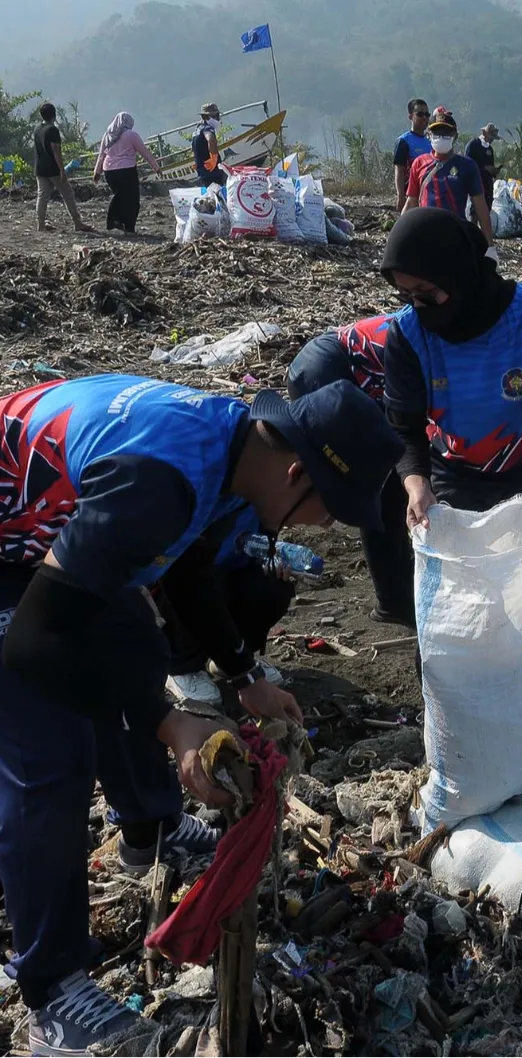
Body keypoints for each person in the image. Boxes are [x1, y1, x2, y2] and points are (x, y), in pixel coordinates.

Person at [0, 374, 402, 1056]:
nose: (324, 527)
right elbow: (36, 642)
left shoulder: (237, 454)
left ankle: (148, 830)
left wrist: (244, 677)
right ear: (299, 470)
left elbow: (183, 573)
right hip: (13, 548)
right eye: (329, 508)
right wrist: (169, 721)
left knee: (132, 641)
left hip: (54, 535)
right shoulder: (160, 481)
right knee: (49, 757)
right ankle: (52, 994)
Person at [380, 208, 522, 599]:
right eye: (407, 296)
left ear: (455, 272)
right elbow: (403, 424)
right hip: (451, 472)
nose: (419, 306)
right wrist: (416, 483)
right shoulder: (408, 333)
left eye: (427, 293)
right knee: (453, 597)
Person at [287, 313, 412, 624]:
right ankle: (391, 602)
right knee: (381, 486)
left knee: (394, 485)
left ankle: (401, 579)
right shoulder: (448, 334)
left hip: (333, 364)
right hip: (331, 370)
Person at [157, 504, 292, 705]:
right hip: (185, 573)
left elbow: (260, 543)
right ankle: (182, 667)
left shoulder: (263, 497)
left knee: (272, 584)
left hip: (231, 568)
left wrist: (272, 560)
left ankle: (233, 658)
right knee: (184, 582)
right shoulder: (206, 490)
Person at [403, 109, 494, 245]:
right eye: (437, 133)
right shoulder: (419, 163)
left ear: (455, 136)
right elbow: (412, 201)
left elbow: (480, 206)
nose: (441, 136)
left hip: (456, 235)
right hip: (425, 234)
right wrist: (399, 235)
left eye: (446, 133)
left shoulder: (467, 165)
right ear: (429, 135)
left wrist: (490, 245)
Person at [91, 112, 162, 235]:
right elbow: (145, 153)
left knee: (119, 195)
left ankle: (118, 222)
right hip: (126, 170)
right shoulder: (131, 135)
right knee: (132, 199)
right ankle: (125, 224)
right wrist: (156, 168)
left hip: (109, 172)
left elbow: (101, 154)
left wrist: (97, 172)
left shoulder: (108, 135)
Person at [34, 102, 93, 234]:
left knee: (42, 196)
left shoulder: (37, 128)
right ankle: (77, 223)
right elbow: (56, 152)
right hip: (53, 169)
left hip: (40, 169)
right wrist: (62, 170)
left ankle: (40, 225)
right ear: (54, 115)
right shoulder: (53, 130)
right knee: (68, 194)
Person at [393, 98, 432, 212]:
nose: (424, 118)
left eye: (427, 114)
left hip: (428, 193)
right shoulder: (404, 141)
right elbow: (399, 170)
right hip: (411, 195)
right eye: (420, 114)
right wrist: (400, 195)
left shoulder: (430, 141)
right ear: (410, 116)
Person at [465, 122, 502, 212]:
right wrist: (484, 169)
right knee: (475, 211)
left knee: (486, 209)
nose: (492, 140)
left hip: (487, 185)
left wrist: (494, 171)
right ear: (485, 134)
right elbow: (467, 164)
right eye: (491, 137)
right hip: (476, 183)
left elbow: (491, 167)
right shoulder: (473, 144)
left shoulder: (490, 149)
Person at [191, 103, 226, 189]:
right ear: (205, 117)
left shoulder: (197, 131)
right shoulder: (207, 128)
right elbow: (210, 139)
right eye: (215, 116)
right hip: (212, 173)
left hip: (203, 174)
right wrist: (214, 158)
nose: (218, 119)